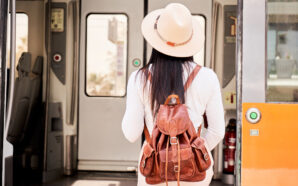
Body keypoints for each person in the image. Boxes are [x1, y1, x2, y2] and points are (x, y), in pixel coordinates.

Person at [122, 3, 225, 186]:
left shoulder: (139, 78)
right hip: (196, 174)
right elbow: (217, 131)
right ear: (189, 42)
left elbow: (131, 134)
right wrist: (190, 154)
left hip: (153, 169)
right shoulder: (208, 77)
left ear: (155, 41)